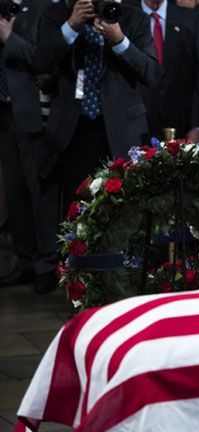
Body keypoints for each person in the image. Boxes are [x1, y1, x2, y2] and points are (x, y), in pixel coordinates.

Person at [33, 0, 157, 209]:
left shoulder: (135, 18)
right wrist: (70, 26)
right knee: (77, 212)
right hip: (72, 132)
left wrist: (119, 40)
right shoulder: (56, 14)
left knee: (123, 211)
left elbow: (150, 72)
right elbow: (41, 62)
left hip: (121, 133)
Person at [0, 0, 58, 293]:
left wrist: (9, 37)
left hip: (33, 114)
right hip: (5, 114)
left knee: (40, 194)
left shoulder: (42, 10)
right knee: (15, 193)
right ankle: (24, 263)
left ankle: (47, 267)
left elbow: (44, 61)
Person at [125, 0, 199, 142]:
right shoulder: (126, 15)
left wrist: (197, 125)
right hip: (135, 122)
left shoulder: (191, 18)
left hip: (181, 123)